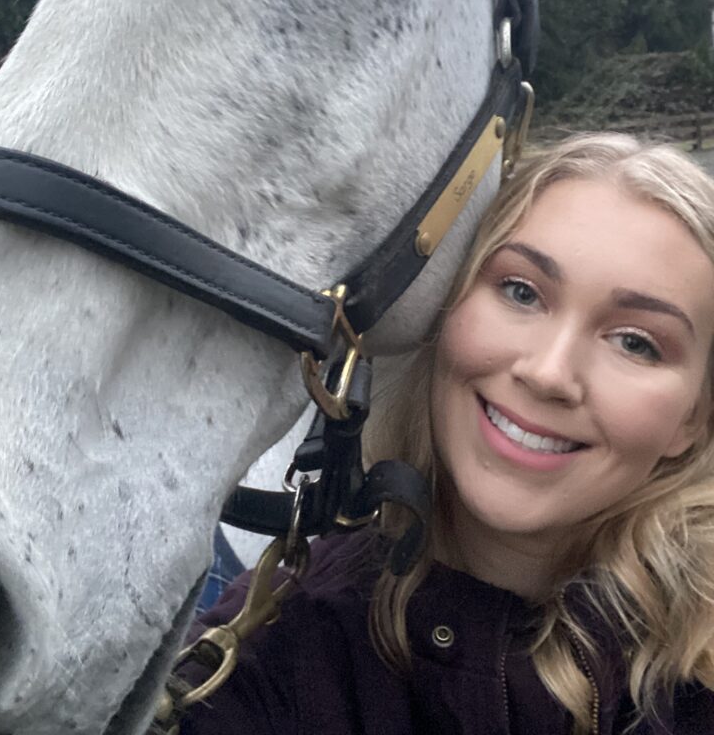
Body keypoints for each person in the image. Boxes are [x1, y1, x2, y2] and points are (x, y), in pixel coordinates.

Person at [175, 134, 714, 735]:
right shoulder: (274, 658)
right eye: (521, 291)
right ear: (443, 308)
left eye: (636, 342)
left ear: (693, 418)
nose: (549, 373)